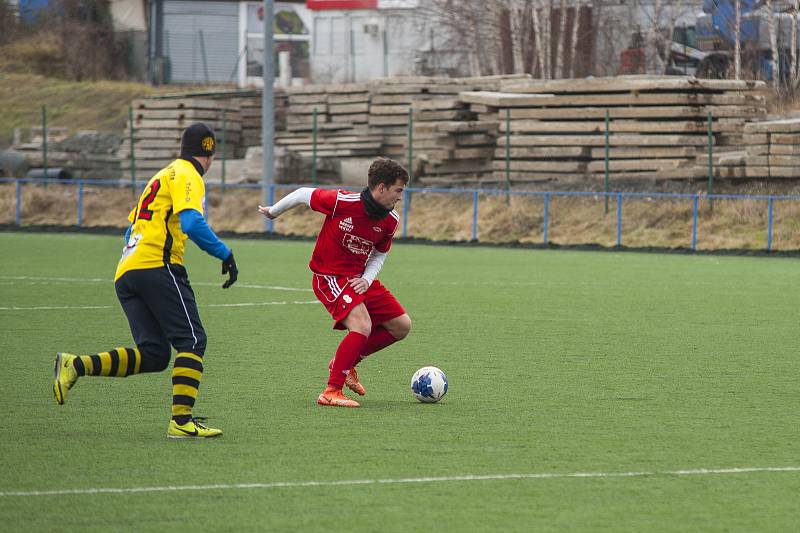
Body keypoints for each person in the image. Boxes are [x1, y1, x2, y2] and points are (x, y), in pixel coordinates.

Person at [53, 122, 238, 438]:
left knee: (154, 354)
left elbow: (130, 228)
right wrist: (224, 253)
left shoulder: (160, 175)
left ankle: (75, 365)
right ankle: (181, 422)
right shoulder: (188, 174)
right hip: (158, 265)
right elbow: (192, 223)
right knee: (192, 341)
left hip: (127, 270)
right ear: (209, 153)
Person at [258, 157, 412, 408]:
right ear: (381, 187)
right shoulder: (343, 201)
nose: (399, 197)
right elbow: (302, 194)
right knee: (362, 325)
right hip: (328, 276)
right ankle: (331, 391)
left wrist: (366, 279)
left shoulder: (391, 220)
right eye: (398, 190)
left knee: (401, 326)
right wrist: (273, 212)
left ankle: (347, 362)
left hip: (358, 279)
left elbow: (379, 253)